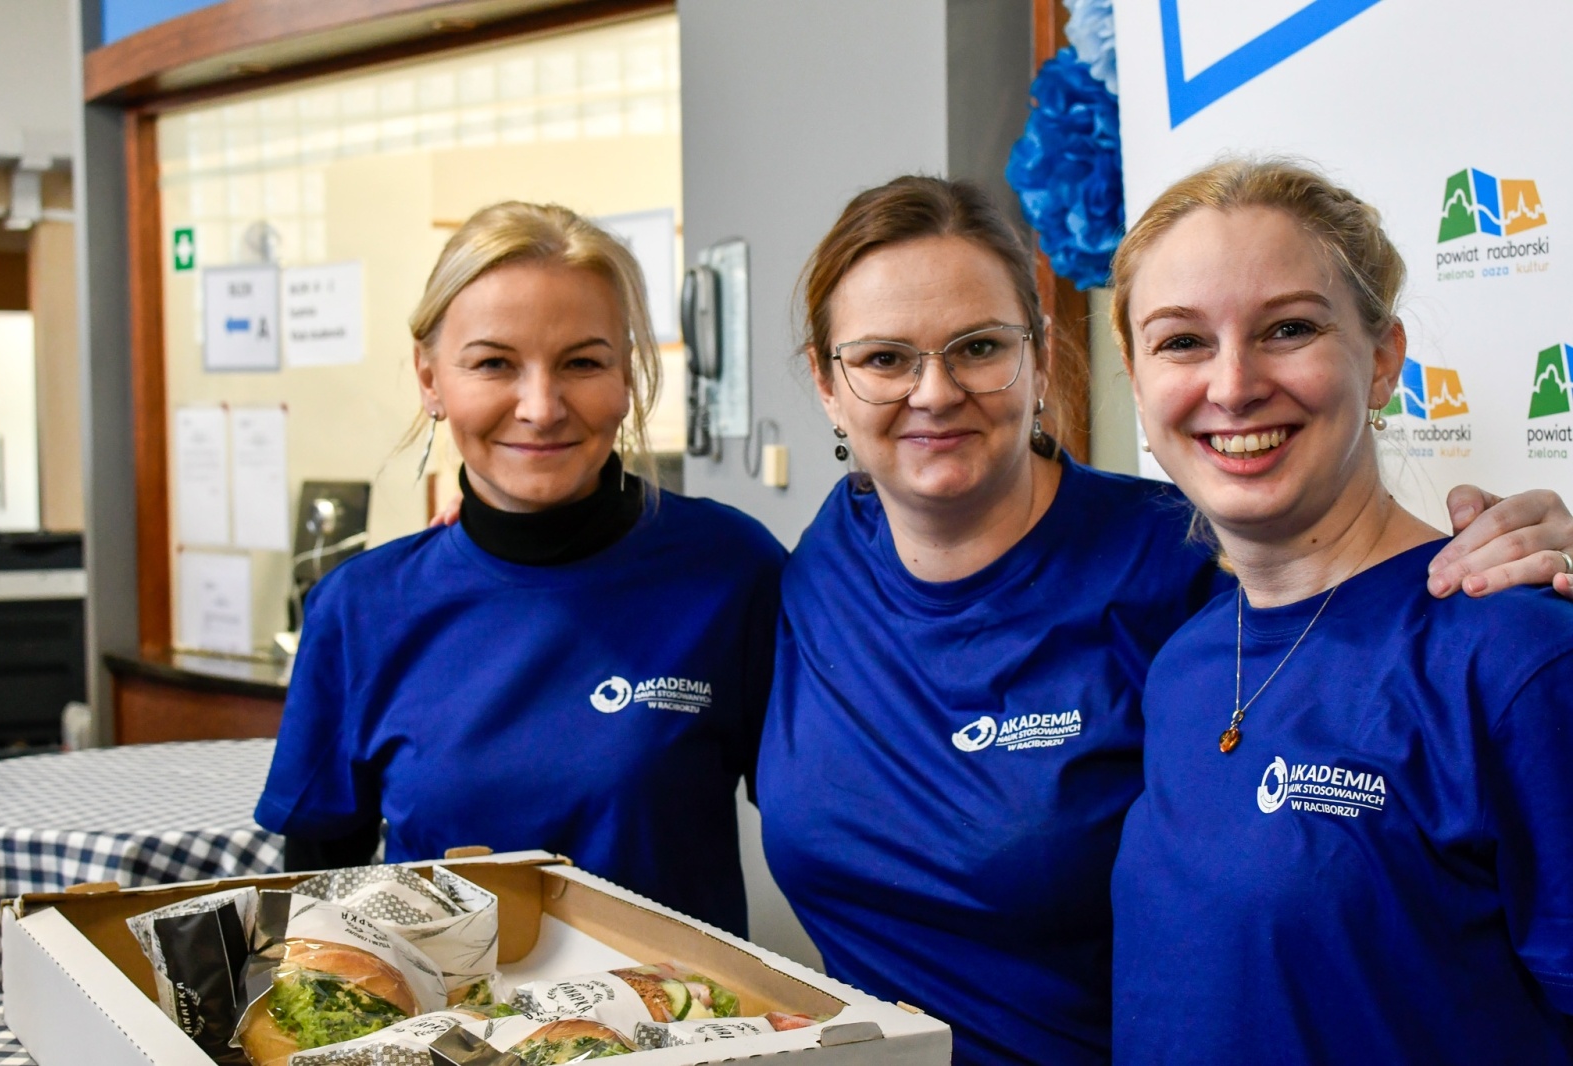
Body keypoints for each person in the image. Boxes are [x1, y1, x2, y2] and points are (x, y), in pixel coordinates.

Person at [754, 175, 1573, 1066]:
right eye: (883, 359)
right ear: (827, 383)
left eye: (1288, 329)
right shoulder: (1189, 659)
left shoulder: (1487, 647)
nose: (935, 392)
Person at [1109, 160, 1573, 1063]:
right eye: (1182, 342)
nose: (1233, 385)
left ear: (1384, 359)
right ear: (1135, 376)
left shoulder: (1513, 658)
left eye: (1289, 328)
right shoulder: (1187, 663)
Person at [255, 201, 785, 937]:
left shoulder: (731, 572)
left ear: (627, 375)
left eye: (582, 362)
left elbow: (835, 825)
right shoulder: (361, 609)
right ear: (430, 379)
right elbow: (314, 900)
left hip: (681, 1008)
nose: (541, 408)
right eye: (494, 364)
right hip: (448, 1011)